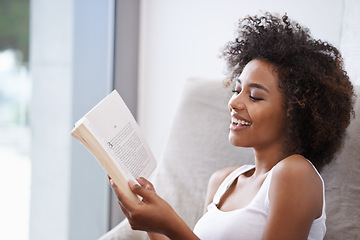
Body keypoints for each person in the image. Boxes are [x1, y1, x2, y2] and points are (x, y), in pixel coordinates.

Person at [108, 12, 356, 240]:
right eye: (237, 90)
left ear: (295, 112)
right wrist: (152, 221)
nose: (234, 102)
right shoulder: (223, 181)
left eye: (255, 96)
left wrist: (170, 223)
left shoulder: (295, 174)